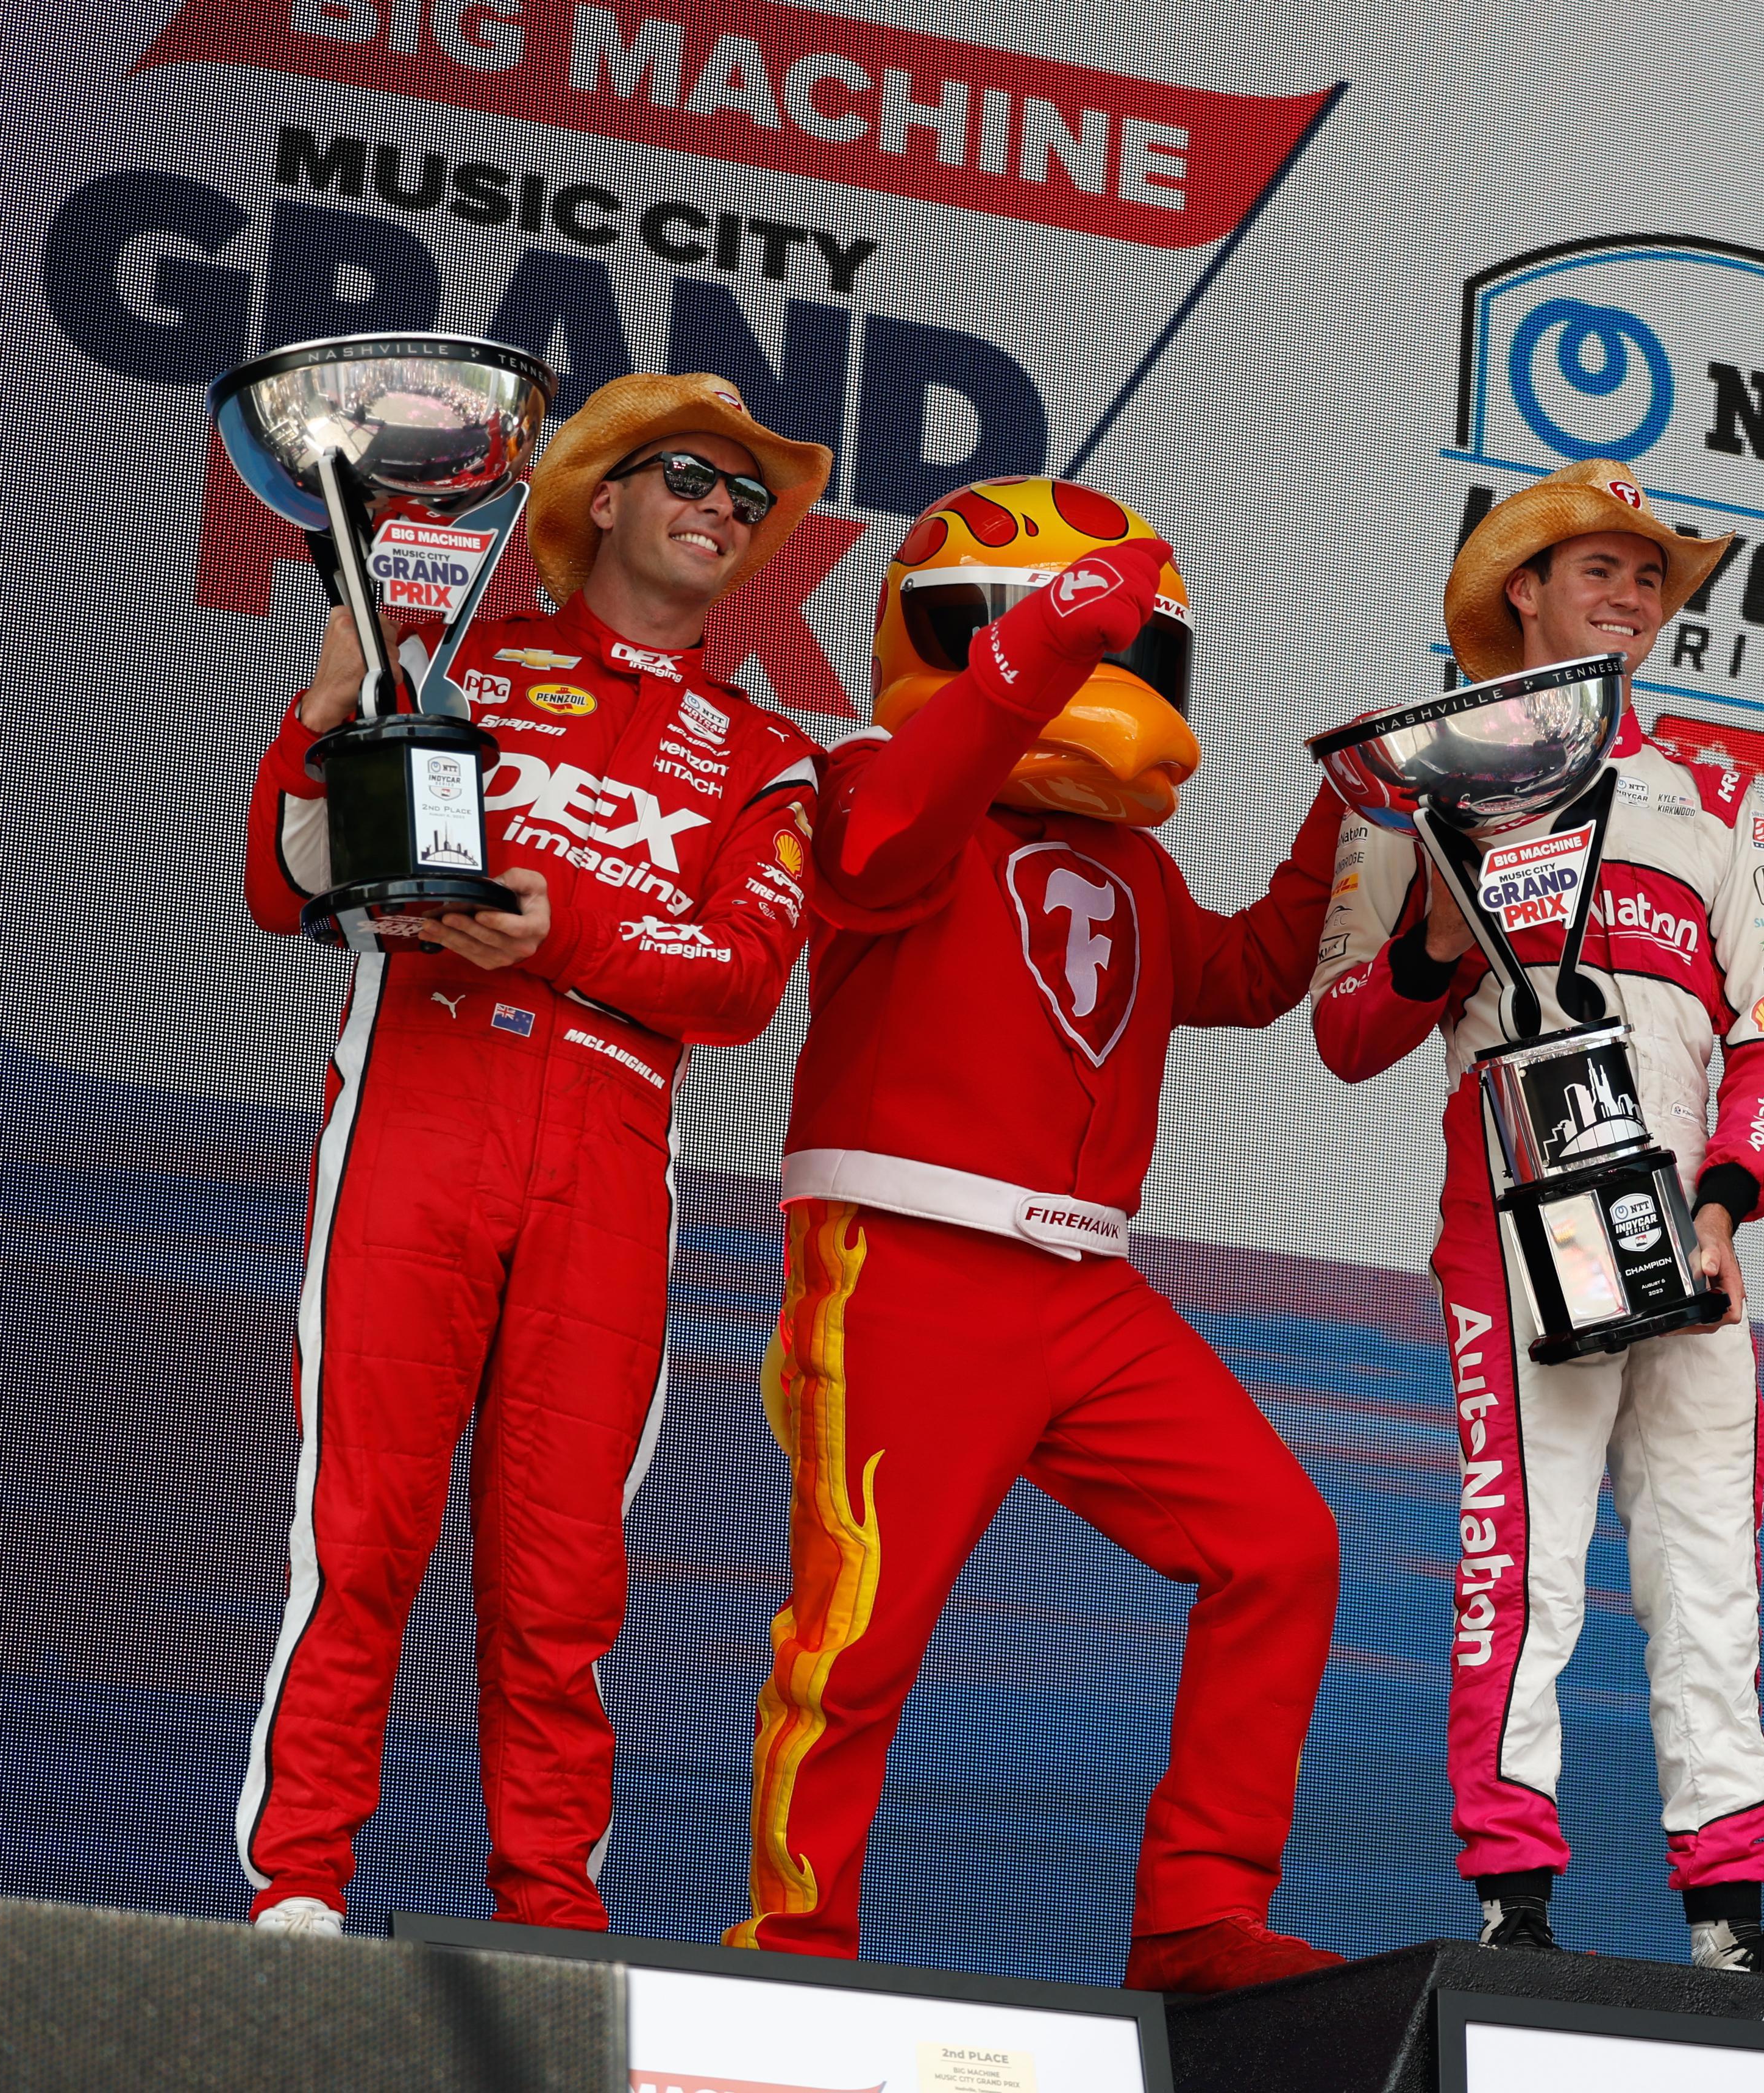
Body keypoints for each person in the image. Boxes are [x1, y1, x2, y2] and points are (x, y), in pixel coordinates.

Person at [722, 475, 1348, 1995]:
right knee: (855, 1633)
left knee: (1280, 1546)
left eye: (1124, 647)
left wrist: (1356, 796)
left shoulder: (1132, 859)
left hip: (1086, 1282)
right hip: (905, 1260)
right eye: (1068, 637)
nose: (1099, 675)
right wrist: (1035, 657)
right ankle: (791, 1949)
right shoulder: (867, 775)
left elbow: (1257, 971)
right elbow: (871, 863)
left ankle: (1198, 1919)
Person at [235, 375, 831, 1935]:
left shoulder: (769, 753)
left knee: (560, 1587)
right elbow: (290, 881)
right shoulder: (461, 669)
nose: (719, 509)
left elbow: (742, 978)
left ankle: (549, 1920)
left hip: (611, 1157)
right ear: (605, 499)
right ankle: (298, 1889)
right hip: (421, 1118)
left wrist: (562, 926)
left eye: (748, 497)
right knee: (361, 1531)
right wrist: (329, 713)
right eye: (690, 475)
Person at [1311, 460, 1764, 1977]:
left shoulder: (1725, 793)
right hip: (1513, 1228)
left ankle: (1727, 1914)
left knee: (1708, 1565)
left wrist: (1728, 1196)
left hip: (1696, 1234)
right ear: (1519, 587)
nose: (1631, 593)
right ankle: (1511, 1902)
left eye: (1652, 575)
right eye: (1597, 565)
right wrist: (1423, 938)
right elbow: (1344, 1029)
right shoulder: (1415, 784)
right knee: (1521, 1560)